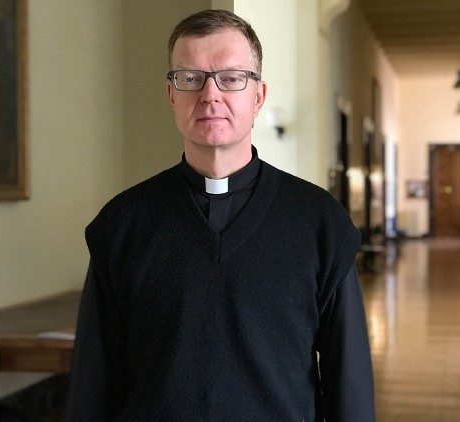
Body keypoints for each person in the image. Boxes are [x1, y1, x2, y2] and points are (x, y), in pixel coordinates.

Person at [67, 9, 375, 421]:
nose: (210, 95)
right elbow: (92, 386)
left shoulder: (320, 223)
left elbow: (349, 388)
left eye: (231, 78)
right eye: (190, 78)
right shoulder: (123, 224)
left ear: (258, 96)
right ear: (171, 95)